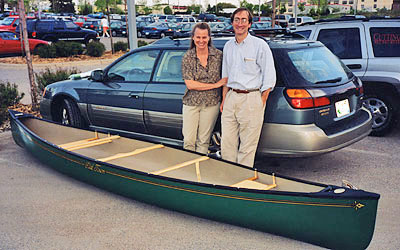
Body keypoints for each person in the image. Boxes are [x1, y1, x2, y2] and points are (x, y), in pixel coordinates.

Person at [220, 8, 276, 167]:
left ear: (250, 23)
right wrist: (224, 99)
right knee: (227, 143)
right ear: (232, 23)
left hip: (251, 98)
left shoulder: (260, 46)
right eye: (237, 19)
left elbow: (269, 77)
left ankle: (242, 182)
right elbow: (226, 75)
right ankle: (227, 178)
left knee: (248, 145)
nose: (240, 23)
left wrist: (261, 101)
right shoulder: (228, 46)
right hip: (231, 97)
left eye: (244, 20)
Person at [181, 22, 227, 154]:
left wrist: (223, 99)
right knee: (189, 141)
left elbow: (226, 80)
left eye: (204, 37)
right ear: (193, 38)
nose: (201, 41)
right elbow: (190, 84)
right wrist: (215, 85)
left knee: (204, 141)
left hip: (212, 103)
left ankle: (199, 171)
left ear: (209, 38)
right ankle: (188, 170)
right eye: (198, 37)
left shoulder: (218, 56)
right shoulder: (188, 57)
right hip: (191, 103)